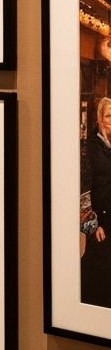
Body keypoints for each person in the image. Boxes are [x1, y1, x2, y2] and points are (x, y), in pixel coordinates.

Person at [82, 97, 111, 308]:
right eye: (109, 116)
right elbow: (82, 187)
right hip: (100, 223)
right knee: (98, 275)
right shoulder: (90, 148)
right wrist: (91, 223)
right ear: (100, 120)